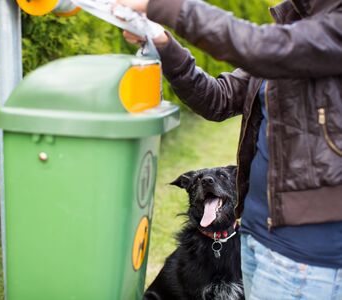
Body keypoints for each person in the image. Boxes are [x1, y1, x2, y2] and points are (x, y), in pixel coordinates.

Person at [116, 0, 342, 299]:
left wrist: (161, 5)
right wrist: (162, 42)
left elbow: (261, 47)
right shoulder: (292, 24)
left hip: (306, 255)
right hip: (253, 234)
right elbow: (217, 98)